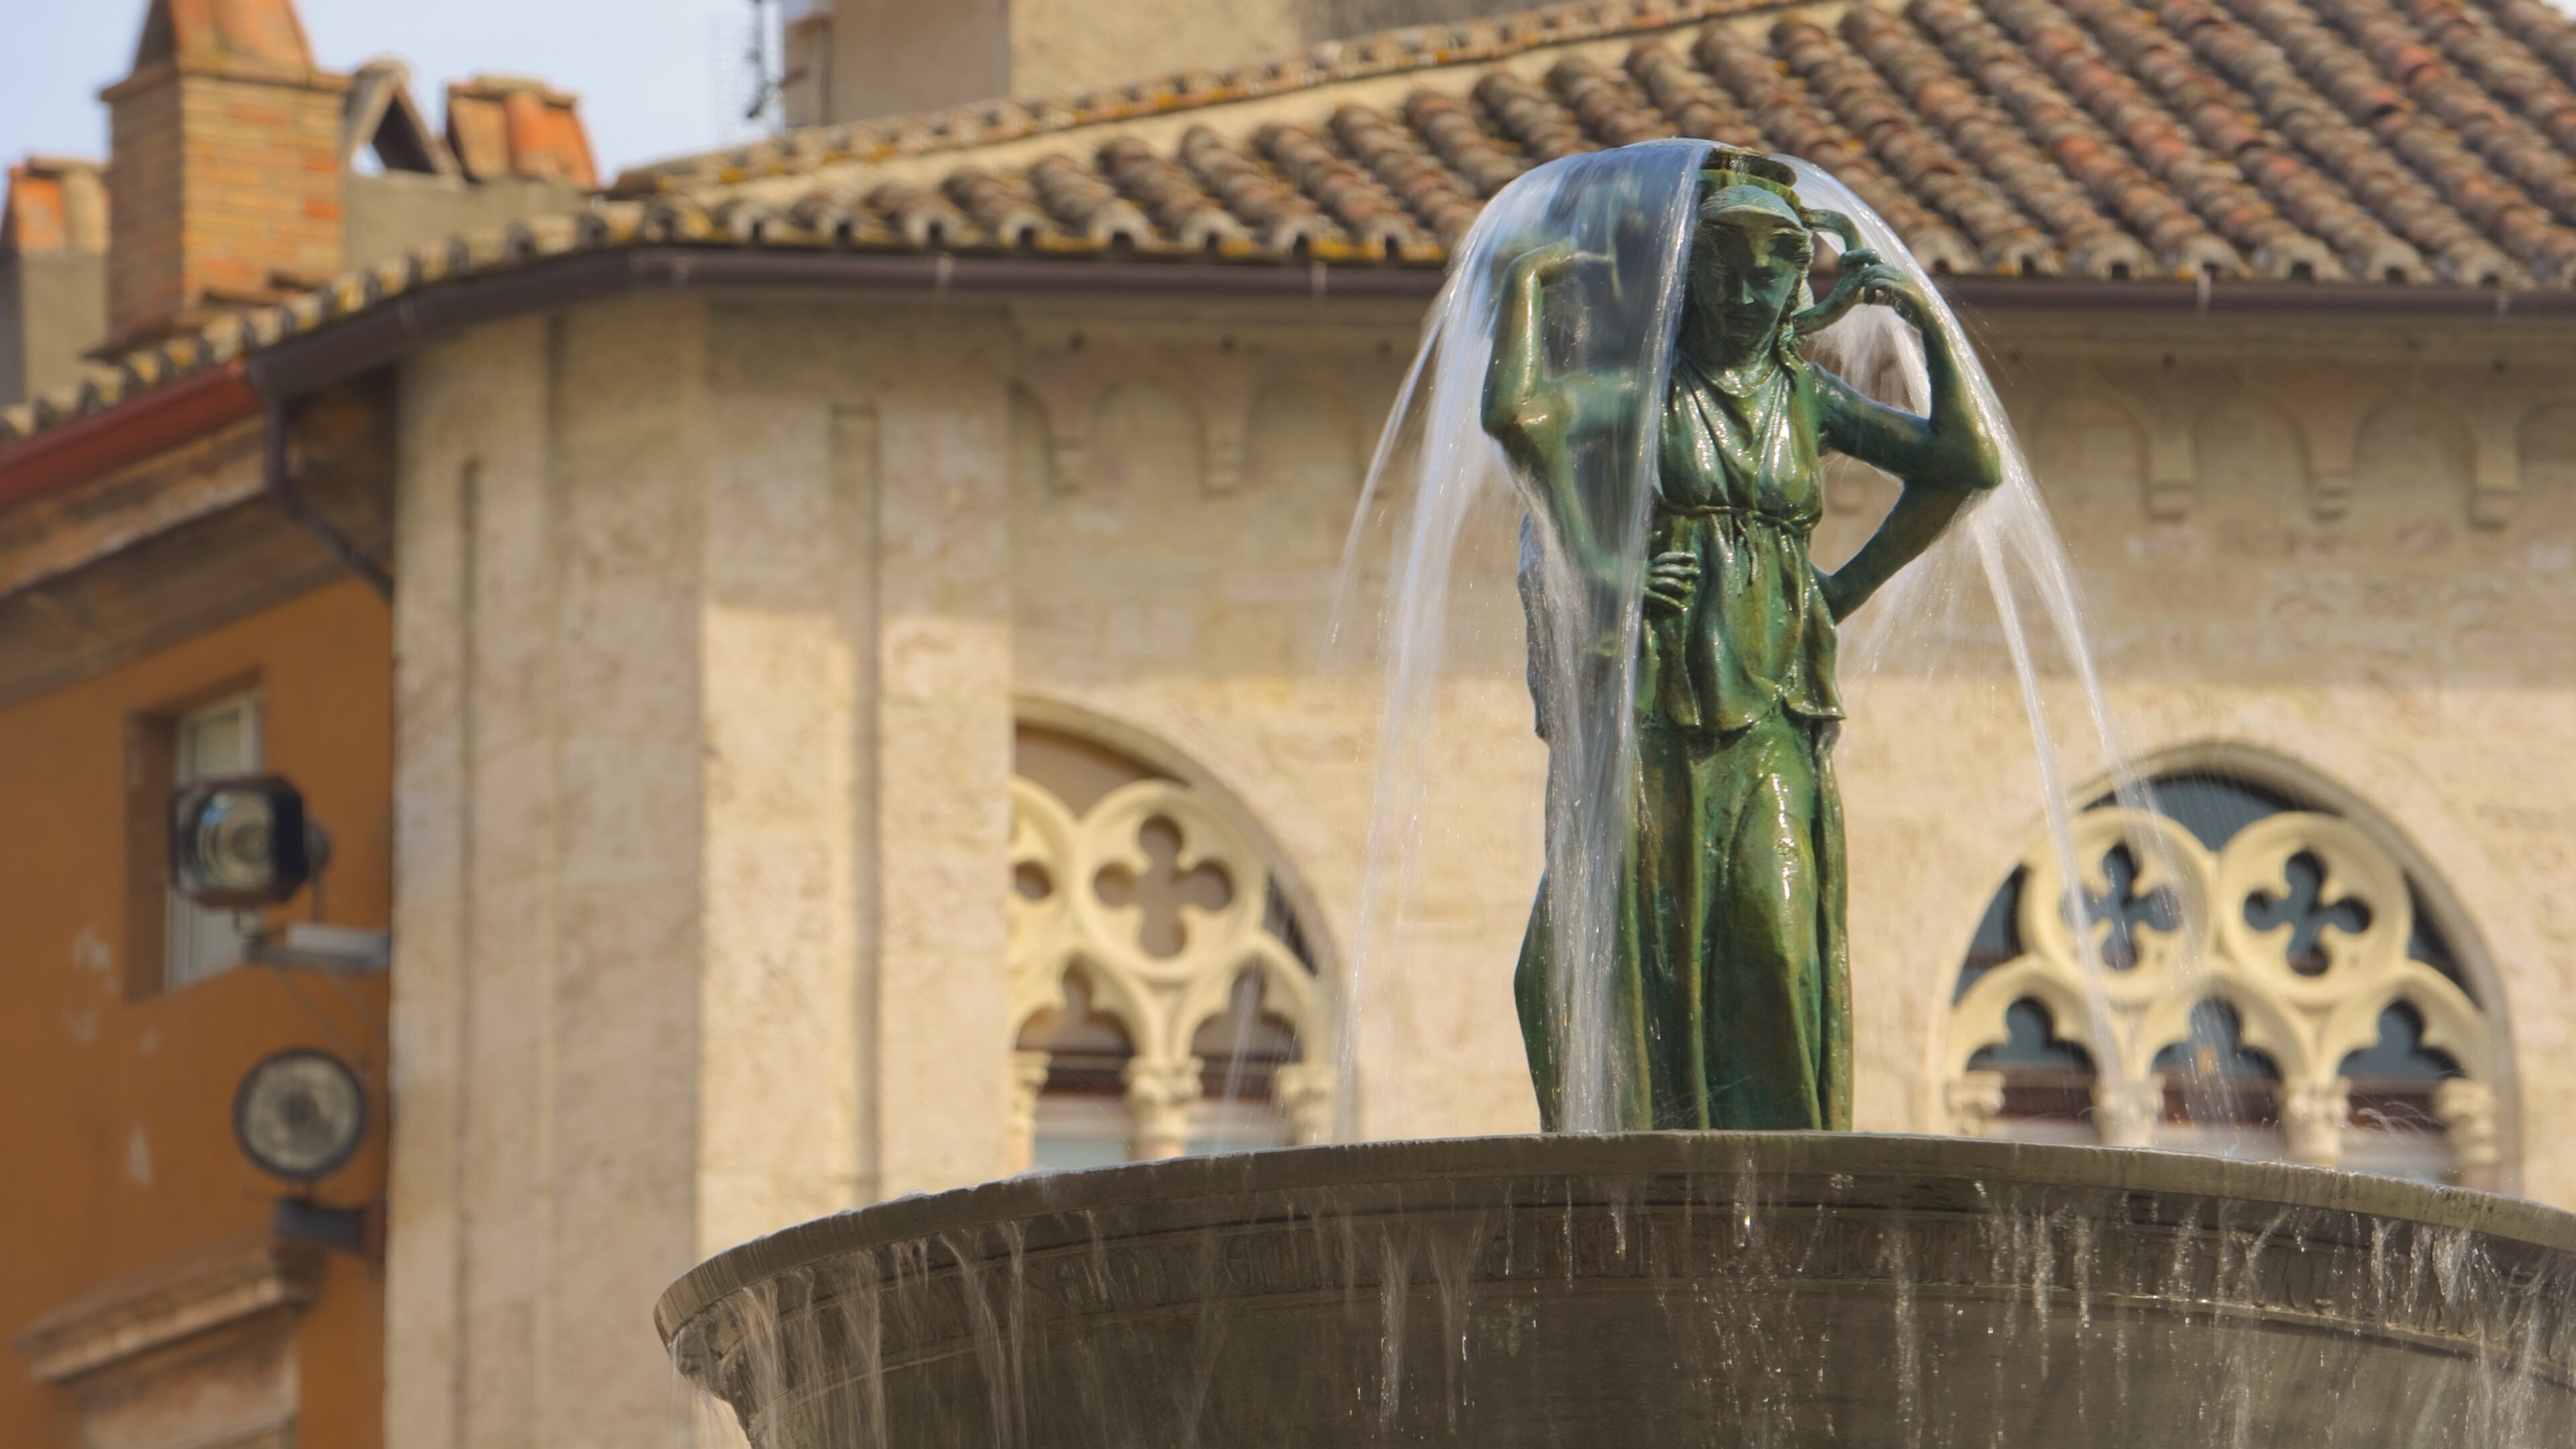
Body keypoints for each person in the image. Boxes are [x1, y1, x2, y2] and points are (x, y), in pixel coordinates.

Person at [1482, 146, 2002, 1132]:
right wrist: (1526, 289)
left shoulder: (1805, 401)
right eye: (1727, 260)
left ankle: (1786, 1199)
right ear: (1691, 274)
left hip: (1774, 704)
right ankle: (1639, 1157)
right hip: (1655, 700)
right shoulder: (1642, 396)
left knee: (1774, 930)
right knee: (1616, 939)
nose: (1752, 285)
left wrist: (1927, 329)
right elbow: (1521, 417)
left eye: (1777, 264)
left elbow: (1965, 465)